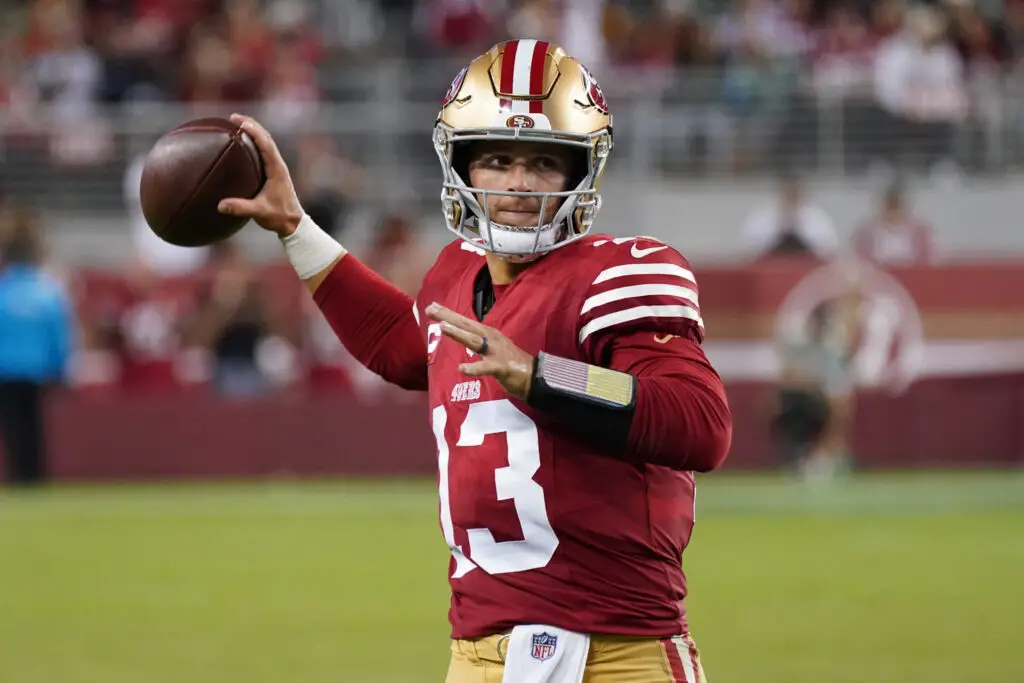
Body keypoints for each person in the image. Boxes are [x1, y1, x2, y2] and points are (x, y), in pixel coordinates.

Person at [218, 40, 731, 683]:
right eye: (497, 160)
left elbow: (702, 425)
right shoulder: (456, 273)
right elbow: (403, 345)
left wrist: (543, 376)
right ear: (461, 165)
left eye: (544, 163)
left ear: (580, 172)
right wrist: (295, 226)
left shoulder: (621, 273)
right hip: (480, 656)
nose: (519, 184)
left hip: (618, 651)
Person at [0, 207, 74, 485]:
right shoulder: (46, 291)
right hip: (35, 370)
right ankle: (35, 476)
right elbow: (59, 334)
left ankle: (20, 476)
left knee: (13, 426)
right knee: (34, 425)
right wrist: (62, 369)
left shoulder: (3, 290)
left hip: (6, 371)